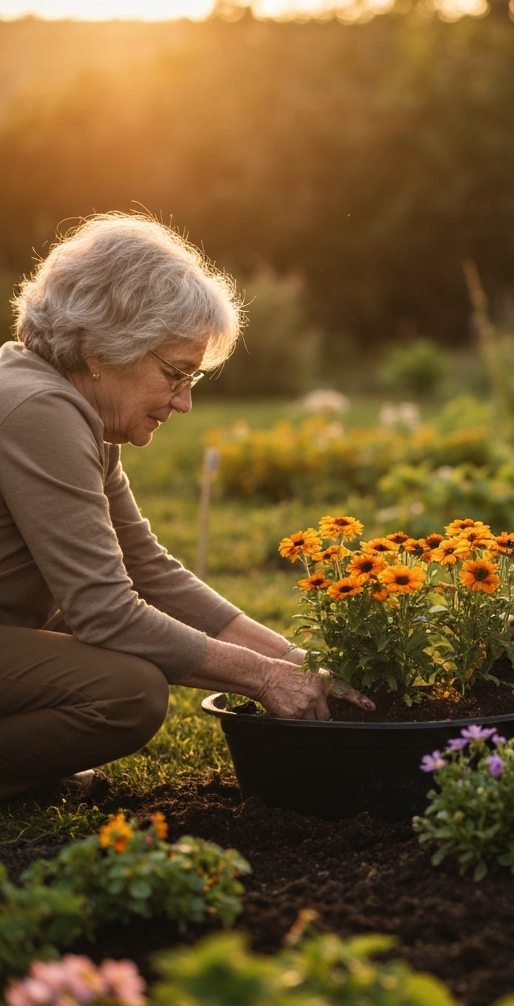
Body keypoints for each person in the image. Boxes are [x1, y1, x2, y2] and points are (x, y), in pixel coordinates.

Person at [0, 214, 369, 801]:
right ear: (103, 347)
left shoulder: (66, 403)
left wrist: (294, 659)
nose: (186, 401)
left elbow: (148, 568)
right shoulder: (40, 410)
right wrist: (265, 679)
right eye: (175, 373)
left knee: (102, 642)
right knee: (128, 691)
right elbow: (106, 612)